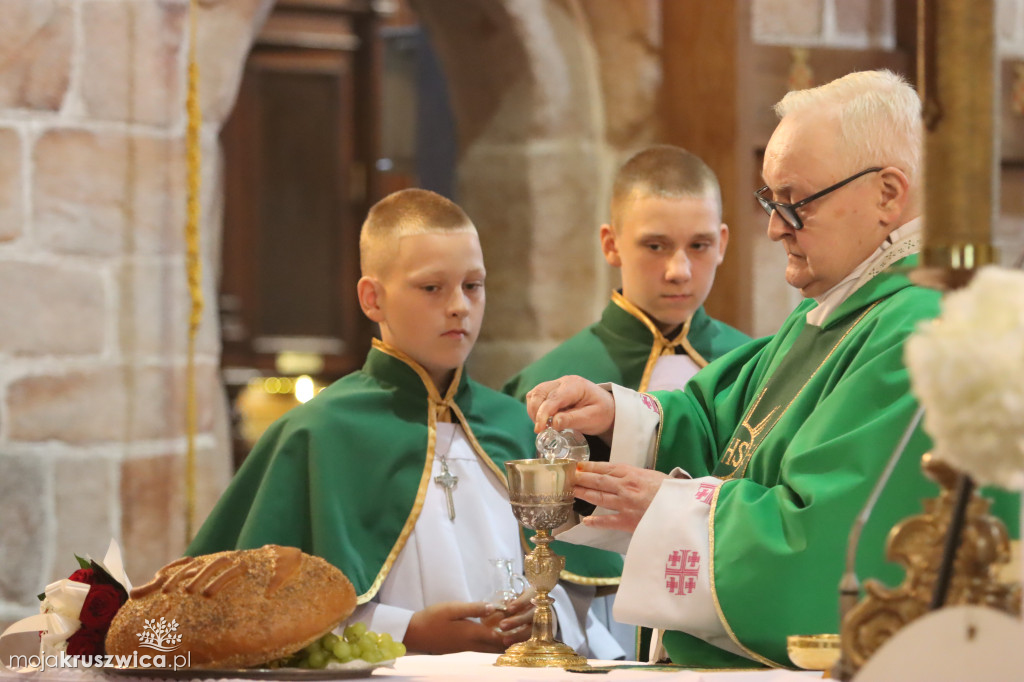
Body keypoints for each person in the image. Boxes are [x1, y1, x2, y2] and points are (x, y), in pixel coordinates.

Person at [524, 70, 1006, 668]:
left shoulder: (923, 334)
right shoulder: (836, 314)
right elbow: (724, 426)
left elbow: (833, 542)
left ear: (888, 194)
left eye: (795, 202)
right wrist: (612, 422)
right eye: (769, 202)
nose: (776, 227)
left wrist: (671, 506)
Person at [187, 189, 623, 658]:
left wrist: (542, 615)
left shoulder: (515, 425)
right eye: (432, 288)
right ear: (372, 298)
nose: (459, 305)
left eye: (473, 286)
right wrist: (406, 631)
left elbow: (576, 584)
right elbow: (262, 616)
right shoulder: (318, 433)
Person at [503, 145, 749, 401]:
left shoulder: (755, 368)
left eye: (698, 246)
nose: (679, 272)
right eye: (655, 246)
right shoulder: (545, 386)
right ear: (611, 245)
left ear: (721, 244)